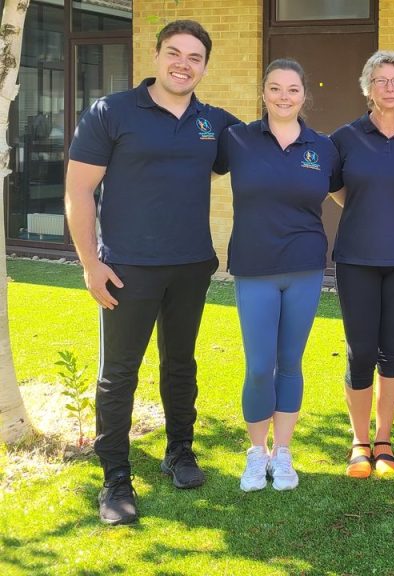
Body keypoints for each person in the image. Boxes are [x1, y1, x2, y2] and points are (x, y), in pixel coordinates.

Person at [64, 20, 240, 525]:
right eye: (174, 53)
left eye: (194, 58)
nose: (183, 64)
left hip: (190, 265)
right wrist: (90, 264)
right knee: (119, 375)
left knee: (181, 367)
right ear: (156, 55)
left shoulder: (216, 123)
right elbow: (78, 192)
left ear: (205, 66)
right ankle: (116, 477)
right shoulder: (111, 112)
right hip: (126, 269)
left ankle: (179, 452)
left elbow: (273, 142)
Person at [213, 59, 341, 491]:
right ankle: (256, 453)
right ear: (263, 93)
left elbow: (352, 193)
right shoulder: (236, 139)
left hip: (305, 267)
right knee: (258, 366)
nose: (283, 96)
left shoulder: (322, 147)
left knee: (289, 364)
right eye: (275, 88)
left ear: (305, 95)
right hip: (254, 267)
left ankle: (283, 453)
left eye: (292, 89)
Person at [329, 51, 394, 479]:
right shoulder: (344, 138)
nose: (389, 86)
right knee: (360, 353)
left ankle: (385, 439)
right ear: (367, 87)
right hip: (356, 258)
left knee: (393, 352)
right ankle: (359, 441)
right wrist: (367, 211)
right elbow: (338, 190)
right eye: (381, 79)